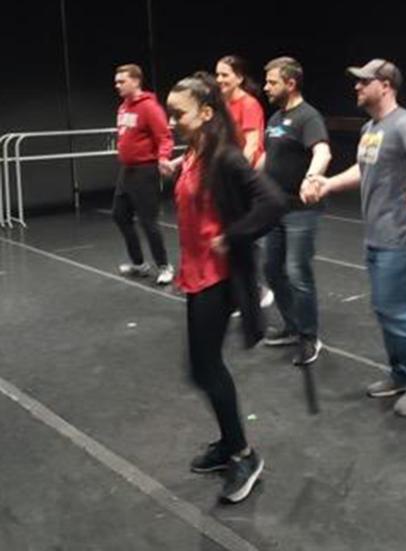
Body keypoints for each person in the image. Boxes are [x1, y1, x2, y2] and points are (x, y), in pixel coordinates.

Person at [301, 59, 406, 417]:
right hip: (378, 234)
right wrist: (328, 183)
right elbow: (363, 167)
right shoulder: (371, 127)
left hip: (404, 236)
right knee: (385, 308)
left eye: (363, 82)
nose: (356, 87)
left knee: (396, 309)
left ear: (384, 85)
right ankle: (403, 373)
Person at [166, 72, 285, 504]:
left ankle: (242, 453)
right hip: (197, 276)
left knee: (205, 368)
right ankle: (228, 443)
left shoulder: (226, 158)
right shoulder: (197, 151)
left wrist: (233, 235)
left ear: (207, 113)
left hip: (218, 279)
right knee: (202, 367)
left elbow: (273, 202)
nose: (172, 121)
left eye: (179, 114)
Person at [259, 57, 331, 366]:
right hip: (274, 208)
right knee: (271, 269)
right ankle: (292, 326)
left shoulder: (308, 116)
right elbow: (268, 158)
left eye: (272, 82)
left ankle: (309, 337)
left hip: (301, 210)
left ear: (290, 83)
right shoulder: (275, 118)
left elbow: (322, 150)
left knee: (298, 273)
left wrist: (313, 177)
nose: (266, 87)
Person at [215, 55, 274, 310]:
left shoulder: (249, 105)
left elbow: (251, 145)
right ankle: (240, 291)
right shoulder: (220, 105)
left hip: (248, 175)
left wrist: (239, 173)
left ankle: (258, 291)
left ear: (239, 77)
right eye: (217, 74)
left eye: (225, 74)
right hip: (227, 176)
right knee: (231, 233)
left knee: (247, 235)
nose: (220, 80)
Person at [112, 63, 175, 285]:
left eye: (122, 81)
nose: (117, 85)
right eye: (116, 81)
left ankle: (165, 266)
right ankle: (139, 263)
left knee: (149, 221)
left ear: (136, 81)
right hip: (126, 171)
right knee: (119, 215)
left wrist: (163, 157)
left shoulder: (149, 107)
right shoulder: (123, 107)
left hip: (145, 171)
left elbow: (165, 136)